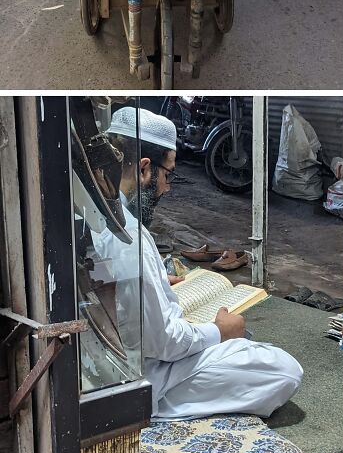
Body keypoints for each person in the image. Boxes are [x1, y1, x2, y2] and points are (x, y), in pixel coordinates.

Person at [92, 107, 303, 420]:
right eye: (168, 175)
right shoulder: (128, 237)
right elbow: (164, 343)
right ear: (144, 169)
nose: (167, 187)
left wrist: (156, 282)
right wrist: (219, 331)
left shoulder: (98, 211)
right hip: (142, 374)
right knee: (283, 370)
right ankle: (155, 408)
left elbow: (106, 279)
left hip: (115, 358)